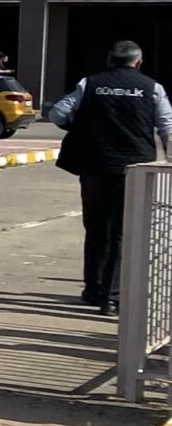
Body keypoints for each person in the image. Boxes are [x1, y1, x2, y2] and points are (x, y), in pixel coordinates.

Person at [50, 40, 172, 315]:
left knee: (96, 230)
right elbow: (167, 126)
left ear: (109, 60)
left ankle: (92, 290)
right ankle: (113, 298)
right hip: (136, 170)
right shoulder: (152, 88)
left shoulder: (89, 83)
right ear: (139, 62)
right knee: (123, 233)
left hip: (95, 167)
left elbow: (57, 113)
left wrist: (77, 124)